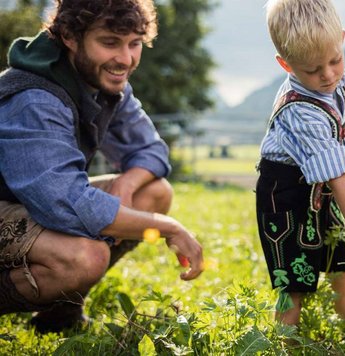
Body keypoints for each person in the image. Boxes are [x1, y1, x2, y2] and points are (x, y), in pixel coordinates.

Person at [0, 0, 204, 333]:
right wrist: (168, 227)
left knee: (151, 192)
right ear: (69, 36)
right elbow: (65, 204)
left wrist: (125, 184)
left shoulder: (102, 80)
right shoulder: (34, 97)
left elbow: (151, 151)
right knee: (86, 257)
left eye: (134, 44)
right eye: (109, 42)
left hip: (29, 206)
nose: (125, 59)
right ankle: (59, 299)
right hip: (19, 206)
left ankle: (58, 315)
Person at [256, 0, 345, 330]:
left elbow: (334, 176)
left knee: (340, 267)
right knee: (294, 284)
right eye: (312, 70)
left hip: (320, 188)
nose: (328, 75)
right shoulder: (302, 112)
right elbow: (339, 180)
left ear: (342, 39)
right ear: (286, 65)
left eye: (335, 61)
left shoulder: (335, 85)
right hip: (285, 195)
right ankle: (285, 344)